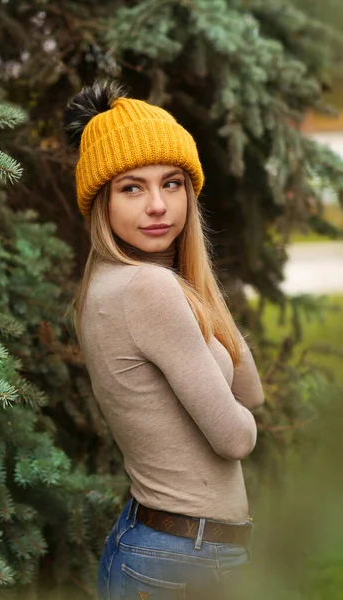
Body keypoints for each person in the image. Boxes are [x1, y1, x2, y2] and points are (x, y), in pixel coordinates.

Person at [63, 80, 264, 600]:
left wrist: (195, 281)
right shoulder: (147, 289)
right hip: (182, 561)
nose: (158, 205)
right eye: (132, 187)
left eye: (172, 183)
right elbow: (238, 435)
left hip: (167, 549)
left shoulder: (121, 282)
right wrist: (233, 408)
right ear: (101, 203)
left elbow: (251, 391)